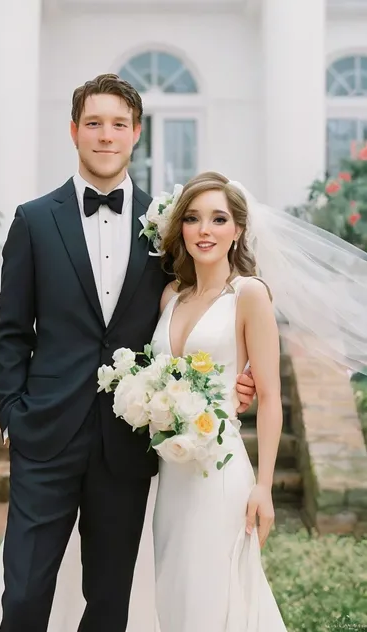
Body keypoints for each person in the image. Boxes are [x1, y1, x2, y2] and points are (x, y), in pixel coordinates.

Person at [0, 75, 255, 632]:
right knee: (22, 594)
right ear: (74, 131)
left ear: (136, 133)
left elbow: (198, 308)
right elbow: (12, 330)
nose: (105, 135)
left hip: (127, 439)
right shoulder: (34, 220)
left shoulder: (169, 226)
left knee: (110, 600)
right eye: (93, 123)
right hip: (44, 433)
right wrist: (12, 415)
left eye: (119, 124)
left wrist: (235, 378)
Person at [151, 172, 287, 631]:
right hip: (169, 472)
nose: (204, 229)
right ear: (180, 229)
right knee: (172, 591)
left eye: (218, 218)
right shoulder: (172, 295)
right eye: (192, 218)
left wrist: (264, 489)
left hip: (221, 469)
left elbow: (269, 398)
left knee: (214, 592)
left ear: (238, 231)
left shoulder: (249, 294)